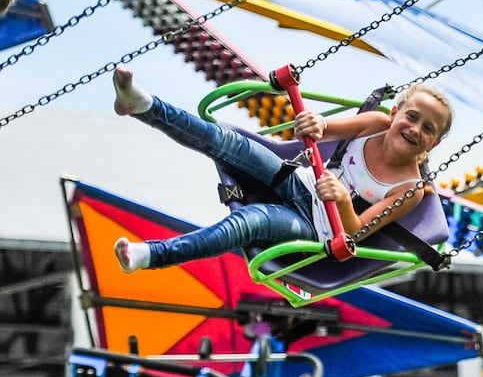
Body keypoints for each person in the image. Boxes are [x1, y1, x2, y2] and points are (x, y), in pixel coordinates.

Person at [109, 66, 453, 273]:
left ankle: (151, 255)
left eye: (428, 129)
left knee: (249, 222)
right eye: (412, 117)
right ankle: (144, 106)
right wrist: (316, 123)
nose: (415, 129)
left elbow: (356, 234)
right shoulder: (376, 123)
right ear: (394, 114)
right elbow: (325, 130)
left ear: (433, 144)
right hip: (300, 181)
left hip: (315, 229)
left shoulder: (410, 189)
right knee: (229, 142)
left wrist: (344, 202)